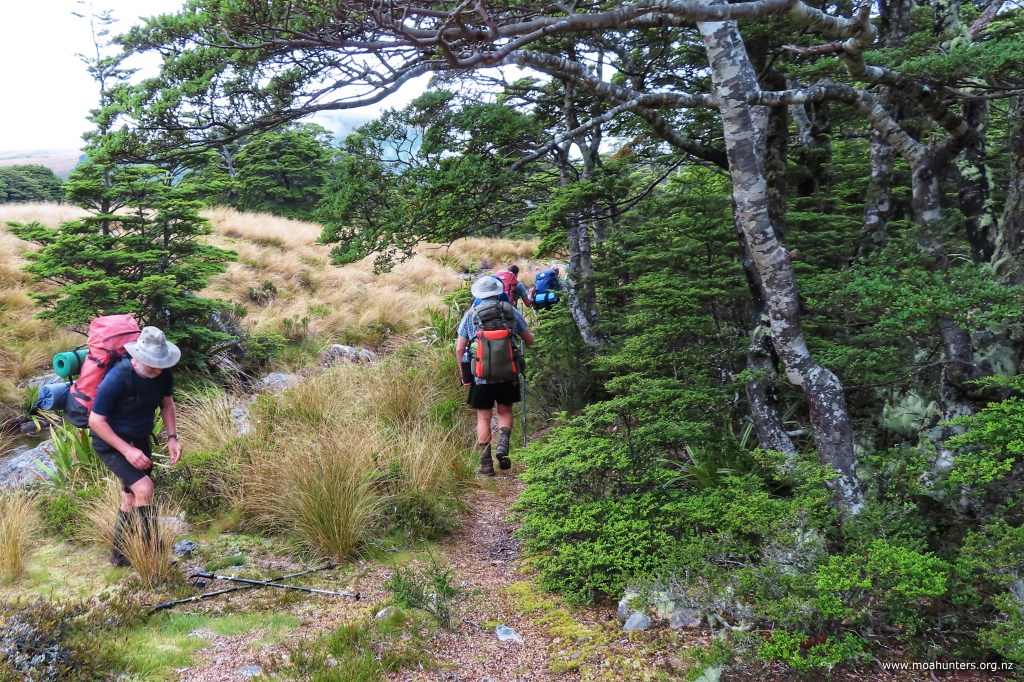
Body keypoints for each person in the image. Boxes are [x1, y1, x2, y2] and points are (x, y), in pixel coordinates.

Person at [88, 326, 182, 566]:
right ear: (139, 357)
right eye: (153, 363)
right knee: (144, 489)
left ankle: (119, 557)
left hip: (140, 440)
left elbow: (167, 405)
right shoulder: (117, 378)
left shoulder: (163, 374)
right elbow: (96, 421)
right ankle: (153, 559)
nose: (158, 368)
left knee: (130, 497)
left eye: (161, 363)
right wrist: (127, 450)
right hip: (111, 443)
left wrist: (172, 438)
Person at [456, 275, 535, 475]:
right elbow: (529, 340)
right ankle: (503, 447)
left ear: (479, 294)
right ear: (499, 291)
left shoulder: (471, 314)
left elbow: (459, 349)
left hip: (481, 376)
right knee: (505, 411)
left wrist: (465, 375)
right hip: (508, 373)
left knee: (483, 417)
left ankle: (486, 465)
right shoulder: (511, 312)